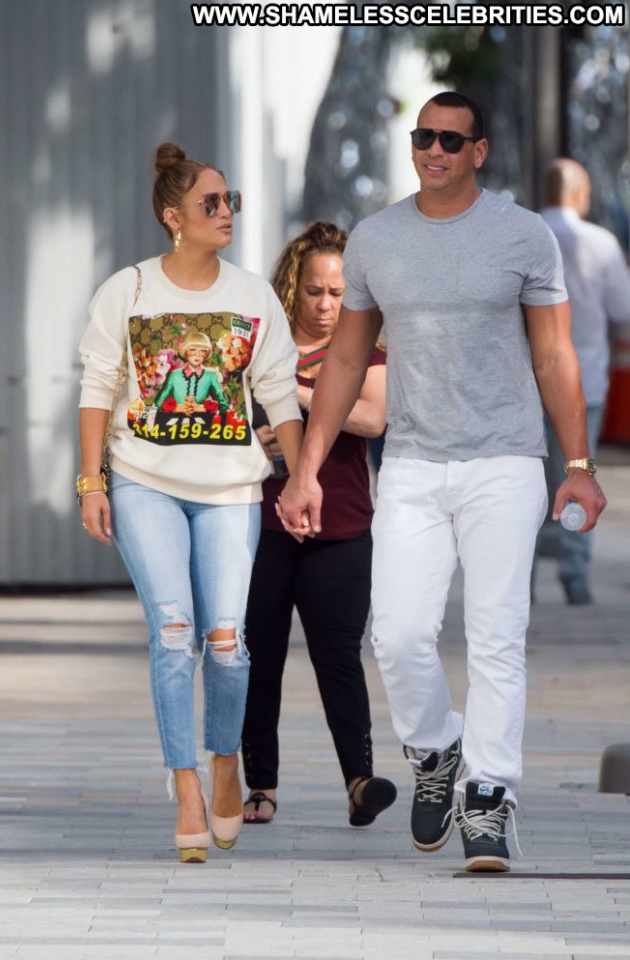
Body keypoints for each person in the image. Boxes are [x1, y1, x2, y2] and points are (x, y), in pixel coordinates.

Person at [278, 92, 607, 873]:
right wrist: (307, 469)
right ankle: (436, 747)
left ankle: (489, 797)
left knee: (497, 635)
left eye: (451, 140)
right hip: (414, 463)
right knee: (395, 635)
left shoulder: (523, 236)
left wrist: (579, 466)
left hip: (505, 461)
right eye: (424, 136)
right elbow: (347, 359)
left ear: (479, 151)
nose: (434, 150)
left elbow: (554, 355)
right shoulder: (376, 238)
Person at [78, 142, 303, 863]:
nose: (226, 211)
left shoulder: (252, 296)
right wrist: (91, 482)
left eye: (231, 199)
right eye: (212, 201)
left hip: (231, 488)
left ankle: (225, 760)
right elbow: (97, 390)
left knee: (227, 644)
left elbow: (278, 392)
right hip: (143, 480)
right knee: (174, 633)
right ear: (174, 216)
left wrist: (302, 476)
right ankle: (185, 786)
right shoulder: (128, 291)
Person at [241, 221, 396, 827]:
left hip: (343, 528)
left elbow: (372, 418)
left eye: (337, 293)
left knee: (339, 657)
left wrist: (301, 396)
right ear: (293, 288)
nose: (326, 305)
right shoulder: (261, 352)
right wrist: (258, 437)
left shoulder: (365, 352)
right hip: (262, 525)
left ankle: (360, 782)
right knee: (258, 658)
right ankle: (260, 785)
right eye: (314, 291)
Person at [537, 159, 630, 604]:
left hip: (529, 381)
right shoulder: (601, 243)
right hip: (585, 380)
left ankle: (522, 579)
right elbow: (623, 310)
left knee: (529, 480)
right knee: (580, 472)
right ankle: (575, 577)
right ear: (578, 194)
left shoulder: (526, 233)